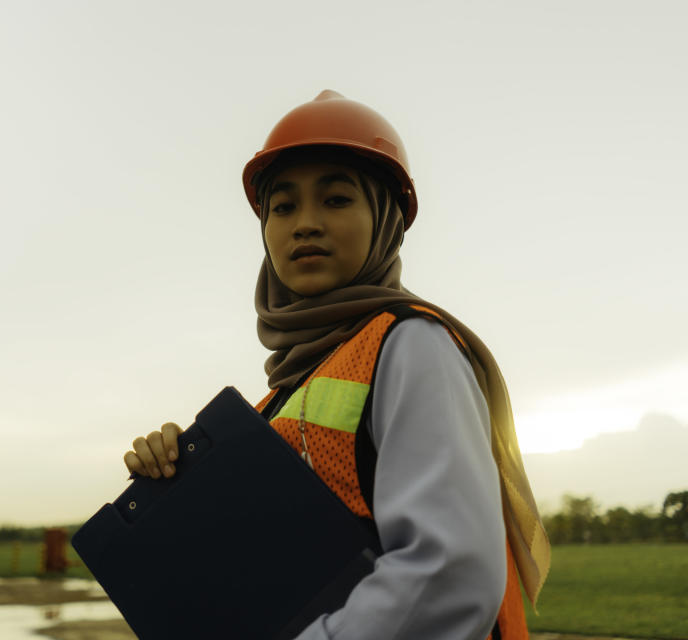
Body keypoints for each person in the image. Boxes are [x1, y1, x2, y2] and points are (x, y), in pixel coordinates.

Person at [123, 90, 550, 639]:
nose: (304, 224)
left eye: (337, 199)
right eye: (283, 207)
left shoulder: (412, 345)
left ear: (386, 219)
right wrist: (180, 485)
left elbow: (450, 575)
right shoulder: (281, 395)